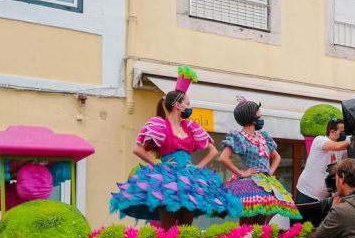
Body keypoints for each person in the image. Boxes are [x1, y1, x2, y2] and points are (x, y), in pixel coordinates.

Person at [110, 90, 242, 228]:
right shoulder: (160, 126)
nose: (190, 107)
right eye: (188, 104)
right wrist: (157, 164)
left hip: (188, 178)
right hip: (167, 178)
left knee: (186, 227)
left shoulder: (190, 127)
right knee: (168, 227)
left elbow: (213, 151)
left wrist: (198, 167)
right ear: (177, 105)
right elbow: (137, 149)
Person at [219, 98, 300, 223]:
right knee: (247, 222)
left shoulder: (263, 137)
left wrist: (270, 172)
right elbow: (223, 158)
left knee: (261, 223)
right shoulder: (239, 136)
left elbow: (277, 157)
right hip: (249, 183)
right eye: (258, 112)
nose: (260, 114)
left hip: (266, 182)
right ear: (251, 116)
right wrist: (241, 173)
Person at [295, 118, 351, 225]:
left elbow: (349, 155)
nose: (345, 135)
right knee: (298, 229)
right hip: (306, 193)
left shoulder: (341, 149)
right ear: (332, 132)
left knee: (319, 231)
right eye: (342, 132)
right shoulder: (319, 140)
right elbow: (338, 146)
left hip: (324, 199)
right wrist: (354, 139)